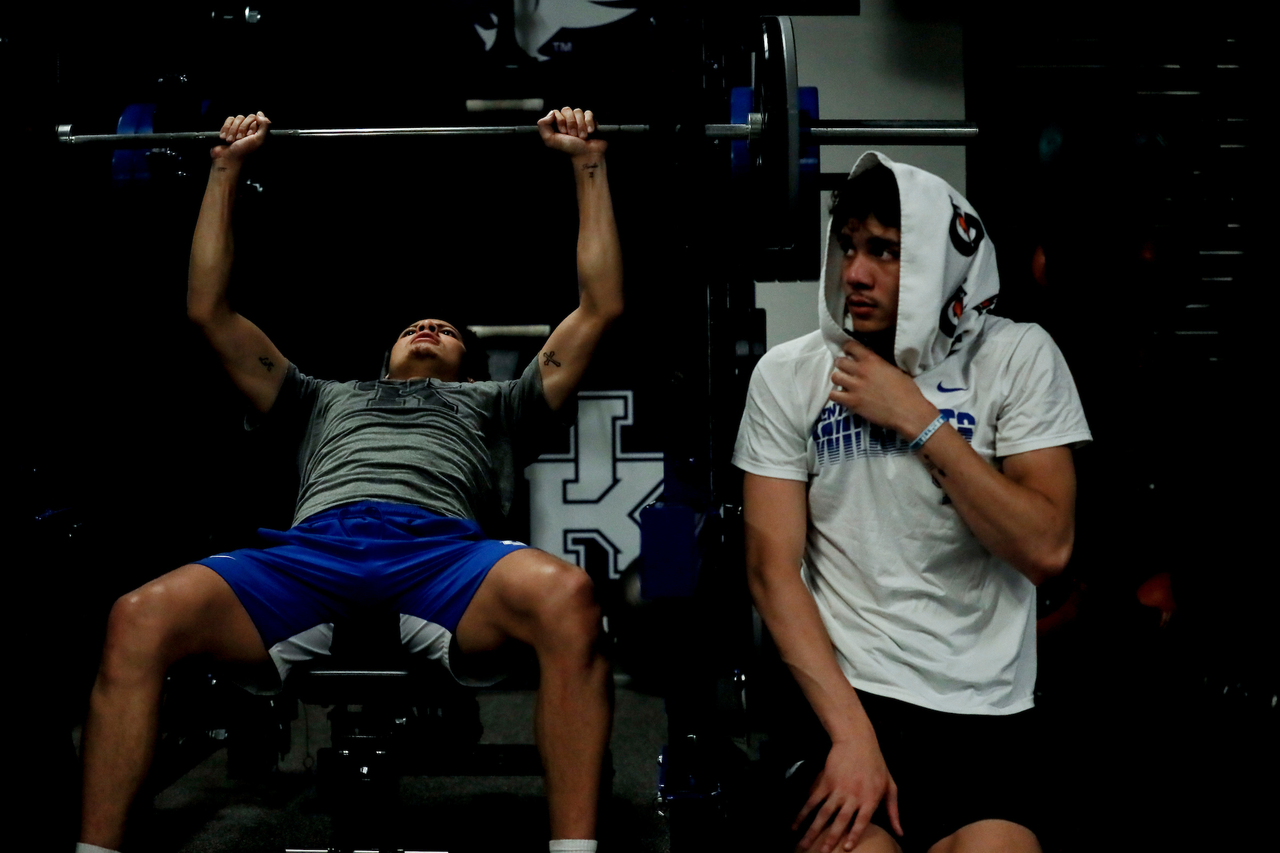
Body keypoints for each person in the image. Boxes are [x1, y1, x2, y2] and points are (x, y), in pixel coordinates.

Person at [78, 106, 621, 853]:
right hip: (311, 556)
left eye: (446, 329)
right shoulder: (319, 397)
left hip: (443, 557)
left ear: (469, 366)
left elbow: (600, 306)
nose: (427, 327)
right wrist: (225, 168)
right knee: (137, 616)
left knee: (569, 596)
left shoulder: (500, 404)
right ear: (383, 357)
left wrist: (587, 162)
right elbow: (208, 309)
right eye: (412, 325)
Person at [733, 153, 1091, 853]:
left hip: (987, 708)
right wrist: (851, 736)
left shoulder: (1018, 356)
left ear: (939, 263)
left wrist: (920, 420)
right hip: (846, 696)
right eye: (848, 246)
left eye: (885, 252)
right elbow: (770, 571)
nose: (855, 273)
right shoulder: (790, 374)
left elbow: (1047, 547)